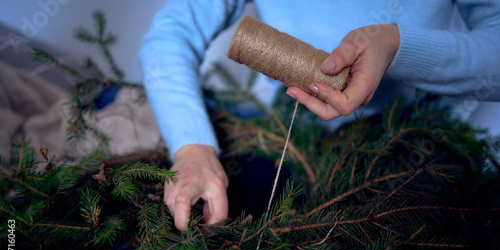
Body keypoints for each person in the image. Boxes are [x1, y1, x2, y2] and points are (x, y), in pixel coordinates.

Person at [140, 0, 500, 232]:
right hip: (294, 135)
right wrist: (192, 148)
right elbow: (171, 34)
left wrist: (396, 47)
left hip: (427, 142)